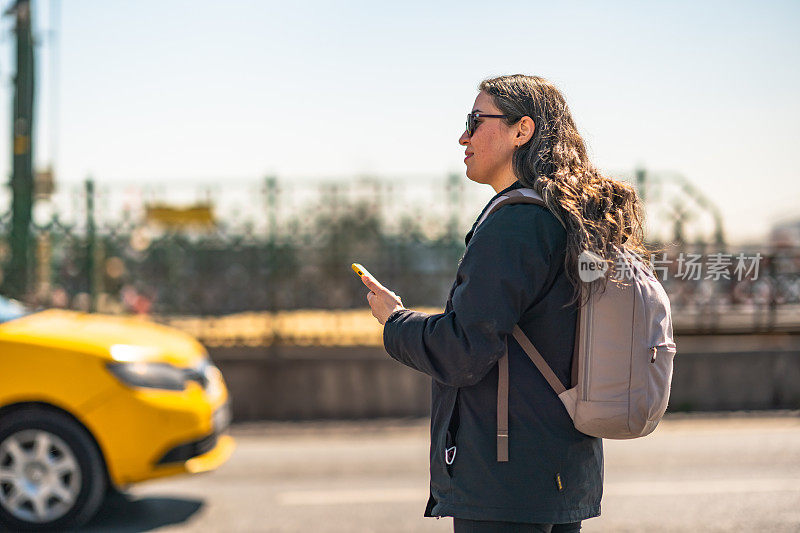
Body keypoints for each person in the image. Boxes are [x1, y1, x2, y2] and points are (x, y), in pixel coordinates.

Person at [361, 74, 649, 533]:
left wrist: (395, 321)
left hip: (506, 479)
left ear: (522, 130)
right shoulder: (567, 220)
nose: (464, 136)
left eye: (475, 120)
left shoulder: (516, 224)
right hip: (560, 472)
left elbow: (462, 351)